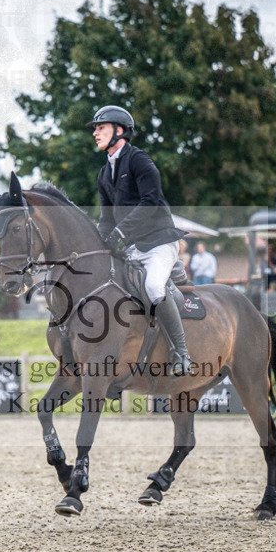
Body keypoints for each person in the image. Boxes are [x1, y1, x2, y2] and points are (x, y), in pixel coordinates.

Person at [88, 104, 191, 376]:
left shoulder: (139, 160)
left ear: (119, 131)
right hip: (132, 247)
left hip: (158, 242)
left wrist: (120, 233)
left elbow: (150, 201)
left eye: (101, 128)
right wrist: (100, 242)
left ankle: (182, 352)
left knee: (155, 288)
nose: (95, 134)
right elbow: (106, 217)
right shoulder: (103, 173)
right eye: (95, 129)